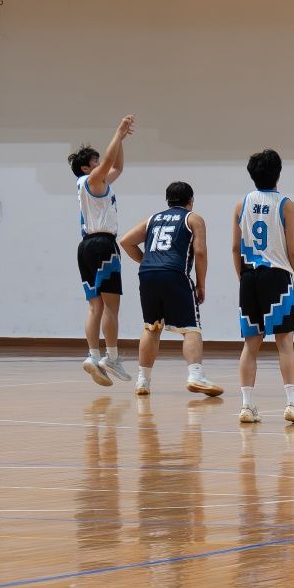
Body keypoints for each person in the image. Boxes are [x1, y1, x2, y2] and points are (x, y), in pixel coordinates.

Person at [119, 181, 222, 398]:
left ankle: (143, 381)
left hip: (147, 274)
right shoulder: (193, 218)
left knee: (151, 327)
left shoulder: (153, 219)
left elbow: (126, 241)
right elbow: (200, 252)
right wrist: (201, 283)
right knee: (191, 328)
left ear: (167, 200)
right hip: (175, 274)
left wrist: (146, 261)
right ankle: (195, 375)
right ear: (191, 200)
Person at [234, 149, 294, 425]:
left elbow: (235, 247)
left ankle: (246, 406)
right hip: (277, 277)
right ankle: (292, 404)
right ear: (278, 173)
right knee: (285, 343)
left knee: (250, 345)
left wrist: (242, 277)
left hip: (249, 277)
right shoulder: (287, 205)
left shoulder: (241, 204)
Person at [69, 114, 135, 387]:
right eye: (95, 162)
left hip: (85, 247)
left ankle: (93, 356)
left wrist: (121, 141)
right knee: (111, 306)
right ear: (86, 168)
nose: (100, 164)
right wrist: (117, 133)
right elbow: (109, 163)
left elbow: (117, 166)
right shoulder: (92, 181)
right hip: (103, 245)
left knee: (94, 306)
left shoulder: (93, 184)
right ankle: (112, 356)